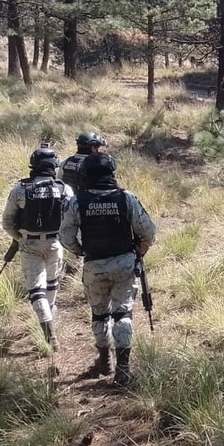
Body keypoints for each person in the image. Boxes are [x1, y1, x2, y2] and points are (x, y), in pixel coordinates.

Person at [59, 152, 157, 387]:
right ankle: (123, 369)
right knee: (123, 313)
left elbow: (65, 236)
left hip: (94, 265)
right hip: (124, 263)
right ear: (112, 174)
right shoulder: (126, 198)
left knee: (100, 314)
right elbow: (149, 233)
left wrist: (80, 251)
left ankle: (104, 360)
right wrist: (140, 252)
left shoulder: (76, 201)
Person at [1, 148, 73, 351]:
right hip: (55, 244)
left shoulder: (20, 190)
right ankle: (51, 326)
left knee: (36, 291)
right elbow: (71, 220)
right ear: (52, 166)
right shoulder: (64, 189)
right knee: (51, 286)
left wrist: (20, 238)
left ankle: (50, 336)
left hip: (29, 245)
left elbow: (7, 223)